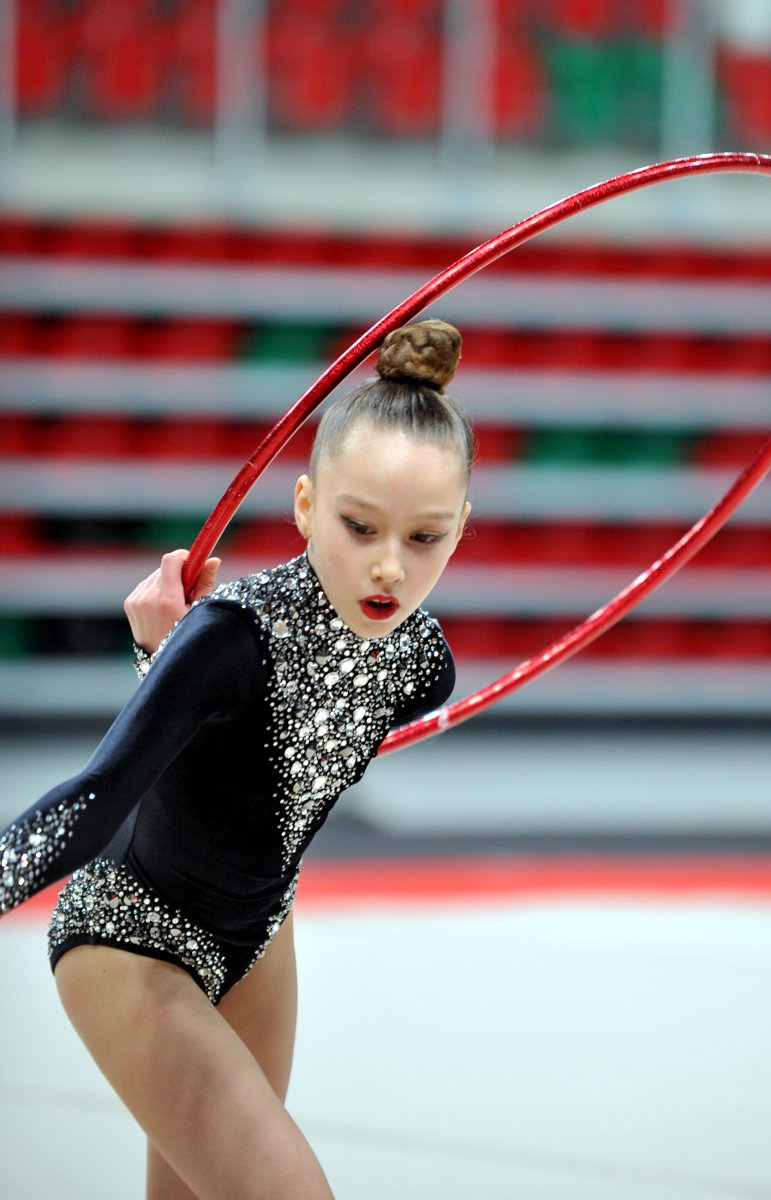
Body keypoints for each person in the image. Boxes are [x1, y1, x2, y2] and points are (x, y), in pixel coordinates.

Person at [0, 318, 473, 1200]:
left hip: (261, 939)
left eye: (425, 538)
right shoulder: (231, 633)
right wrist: (172, 665)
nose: (388, 569)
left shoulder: (421, 667)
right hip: (133, 938)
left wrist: (163, 665)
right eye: (359, 525)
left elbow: (241, 761)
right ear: (305, 505)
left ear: (462, 528)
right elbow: (96, 801)